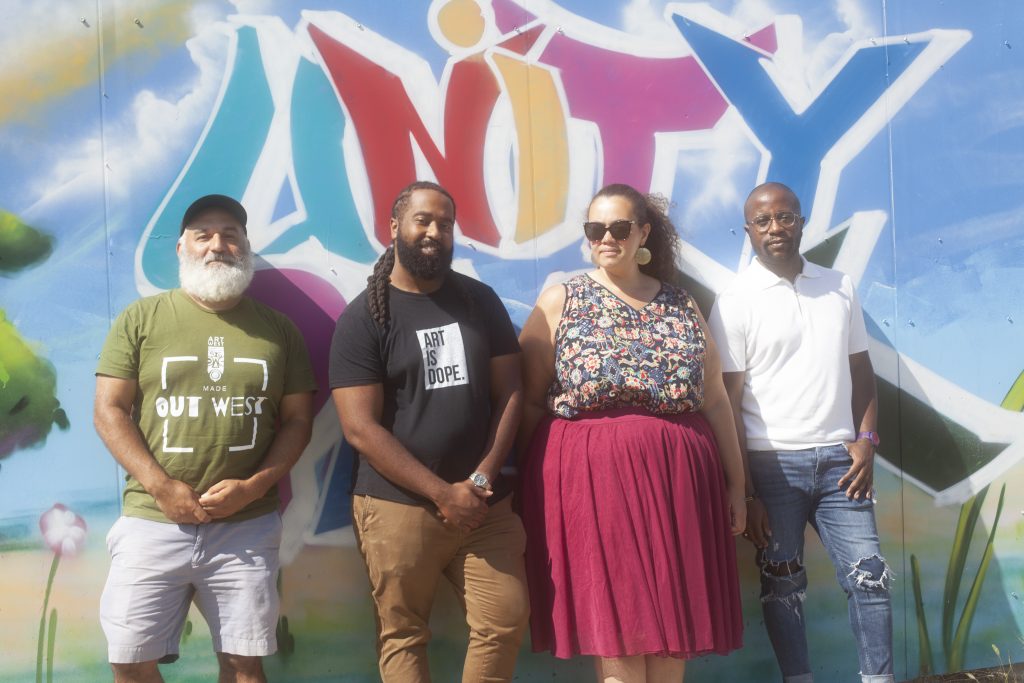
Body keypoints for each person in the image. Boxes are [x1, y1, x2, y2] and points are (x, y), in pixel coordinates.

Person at [518, 183, 746, 683]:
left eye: (619, 228)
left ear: (642, 232)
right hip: (592, 483)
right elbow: (530, 400)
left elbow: (714, 400)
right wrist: (528, 485)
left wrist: (736, 484)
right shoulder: (561, 299)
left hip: (679, 481)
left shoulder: (682, 305)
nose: (606, 238)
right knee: (618, 630)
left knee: (672, 628)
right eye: (595, 229)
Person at [93, 194, 316, 683]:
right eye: (204, 235)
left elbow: (299, 420)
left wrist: (255, 487)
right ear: (181, 248)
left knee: (243, 665)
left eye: (230, 234)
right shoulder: (141, 319)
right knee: (129, 660)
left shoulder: (279, 331)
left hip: (246, 528)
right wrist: (161, 486)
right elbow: (109, 410)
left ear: (246, 248)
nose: (218, 245)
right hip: (151, 521)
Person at [329, 181, 529, 682]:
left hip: (484, 506)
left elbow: (511, 392)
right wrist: (441, 493)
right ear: (395, 227)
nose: (434, 232)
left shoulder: (479, 301)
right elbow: (359, 428)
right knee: (403, 636)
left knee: (504, 619)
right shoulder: (364, 319)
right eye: (423, 220)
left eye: (444, 223)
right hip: (398, 506)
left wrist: (479, 481)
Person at [708, 182, 893, 683]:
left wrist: (866, 440)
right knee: (782, 584)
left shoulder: (839, 286)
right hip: (771, 467)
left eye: (785, 217)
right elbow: (723, 402)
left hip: (842, 462)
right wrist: (745, 491)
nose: (775, 229)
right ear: (748, 231)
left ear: (801, 221)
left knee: (870, 579)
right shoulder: (734, 301)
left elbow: (862, 371)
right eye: (763, 221)